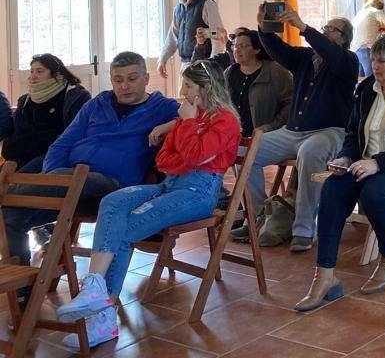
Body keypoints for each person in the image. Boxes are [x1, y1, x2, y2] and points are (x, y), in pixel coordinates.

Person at [54, 60, 241, 349]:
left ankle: (103, 315)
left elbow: (194, 157)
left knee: (125, 229)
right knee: (114, 200)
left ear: (206, 88)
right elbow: (164, 159)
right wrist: (185, 147)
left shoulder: (224, 120)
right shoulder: (190, 118)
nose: (183, 91)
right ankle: (94, 286)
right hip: (170, 184)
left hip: (198, 193)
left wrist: (187, 127)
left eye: (188, 85)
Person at [295, 33, 385, 311]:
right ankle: (325, 276)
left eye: (382, 61)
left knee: (374, 192)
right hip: (363, 163)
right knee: (332, 189)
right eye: (373, 60)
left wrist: (378, 163)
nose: (375, 66)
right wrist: (346, 157)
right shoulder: (366, 89)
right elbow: (352, 133)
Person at [2, 52, 180, 270]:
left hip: (114, 187)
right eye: (118, 80)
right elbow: (61, 144)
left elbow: (200, 117)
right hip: (71, 185)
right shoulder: (97, 104)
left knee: (68, 179)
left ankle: (6, 191)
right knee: (10, 215)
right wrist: (52, 178)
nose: (124, 86)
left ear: (146, 79)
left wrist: (166, 126)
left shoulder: (162, 107)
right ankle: (23, 284)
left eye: (132, 79)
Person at [235, 6, 359, 252]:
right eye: (325, 27)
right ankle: (258, 216)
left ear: (344, 39)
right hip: (291, 132)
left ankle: (304, 229)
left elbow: (330, 52)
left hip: (328, 132)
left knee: (310, 152)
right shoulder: (305, 57)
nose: (325, 31)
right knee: (244, 150)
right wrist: (263, 27)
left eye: (331, 29)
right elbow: (277, 49)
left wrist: (302, 27)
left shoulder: (348, 60)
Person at [1, 54, 92, 172]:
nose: (33, 76)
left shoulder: (76, 97)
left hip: (53, 154)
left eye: (39, 71)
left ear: (56, 74)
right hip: (21, 155)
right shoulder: (25, 100)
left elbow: (73, 133)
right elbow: (16, 132)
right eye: (32, 71)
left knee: (19, 179)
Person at [197, 27, 293, 138]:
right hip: (232, 136)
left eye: (242, 46)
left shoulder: (276, 72)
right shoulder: (229, 72)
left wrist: (271, 126)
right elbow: (219, 101)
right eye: (235, 46)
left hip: (265, 137)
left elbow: (290, 104)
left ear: (257, 49)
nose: (236, 50)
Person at [157, 0, 226, 77]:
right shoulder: (178, 8)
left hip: (203, 64)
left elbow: (218, 33)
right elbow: (173, 36)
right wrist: (162, 59)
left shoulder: (207, 4)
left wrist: (213, 64)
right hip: (185, 64)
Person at [352, 0, 385, 77]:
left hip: (355, 50)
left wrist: (379, 29)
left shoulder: (360, 14)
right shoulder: (376, 11)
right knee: (371, 79)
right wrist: (384, 31)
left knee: (360, 79)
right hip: (367, 49)